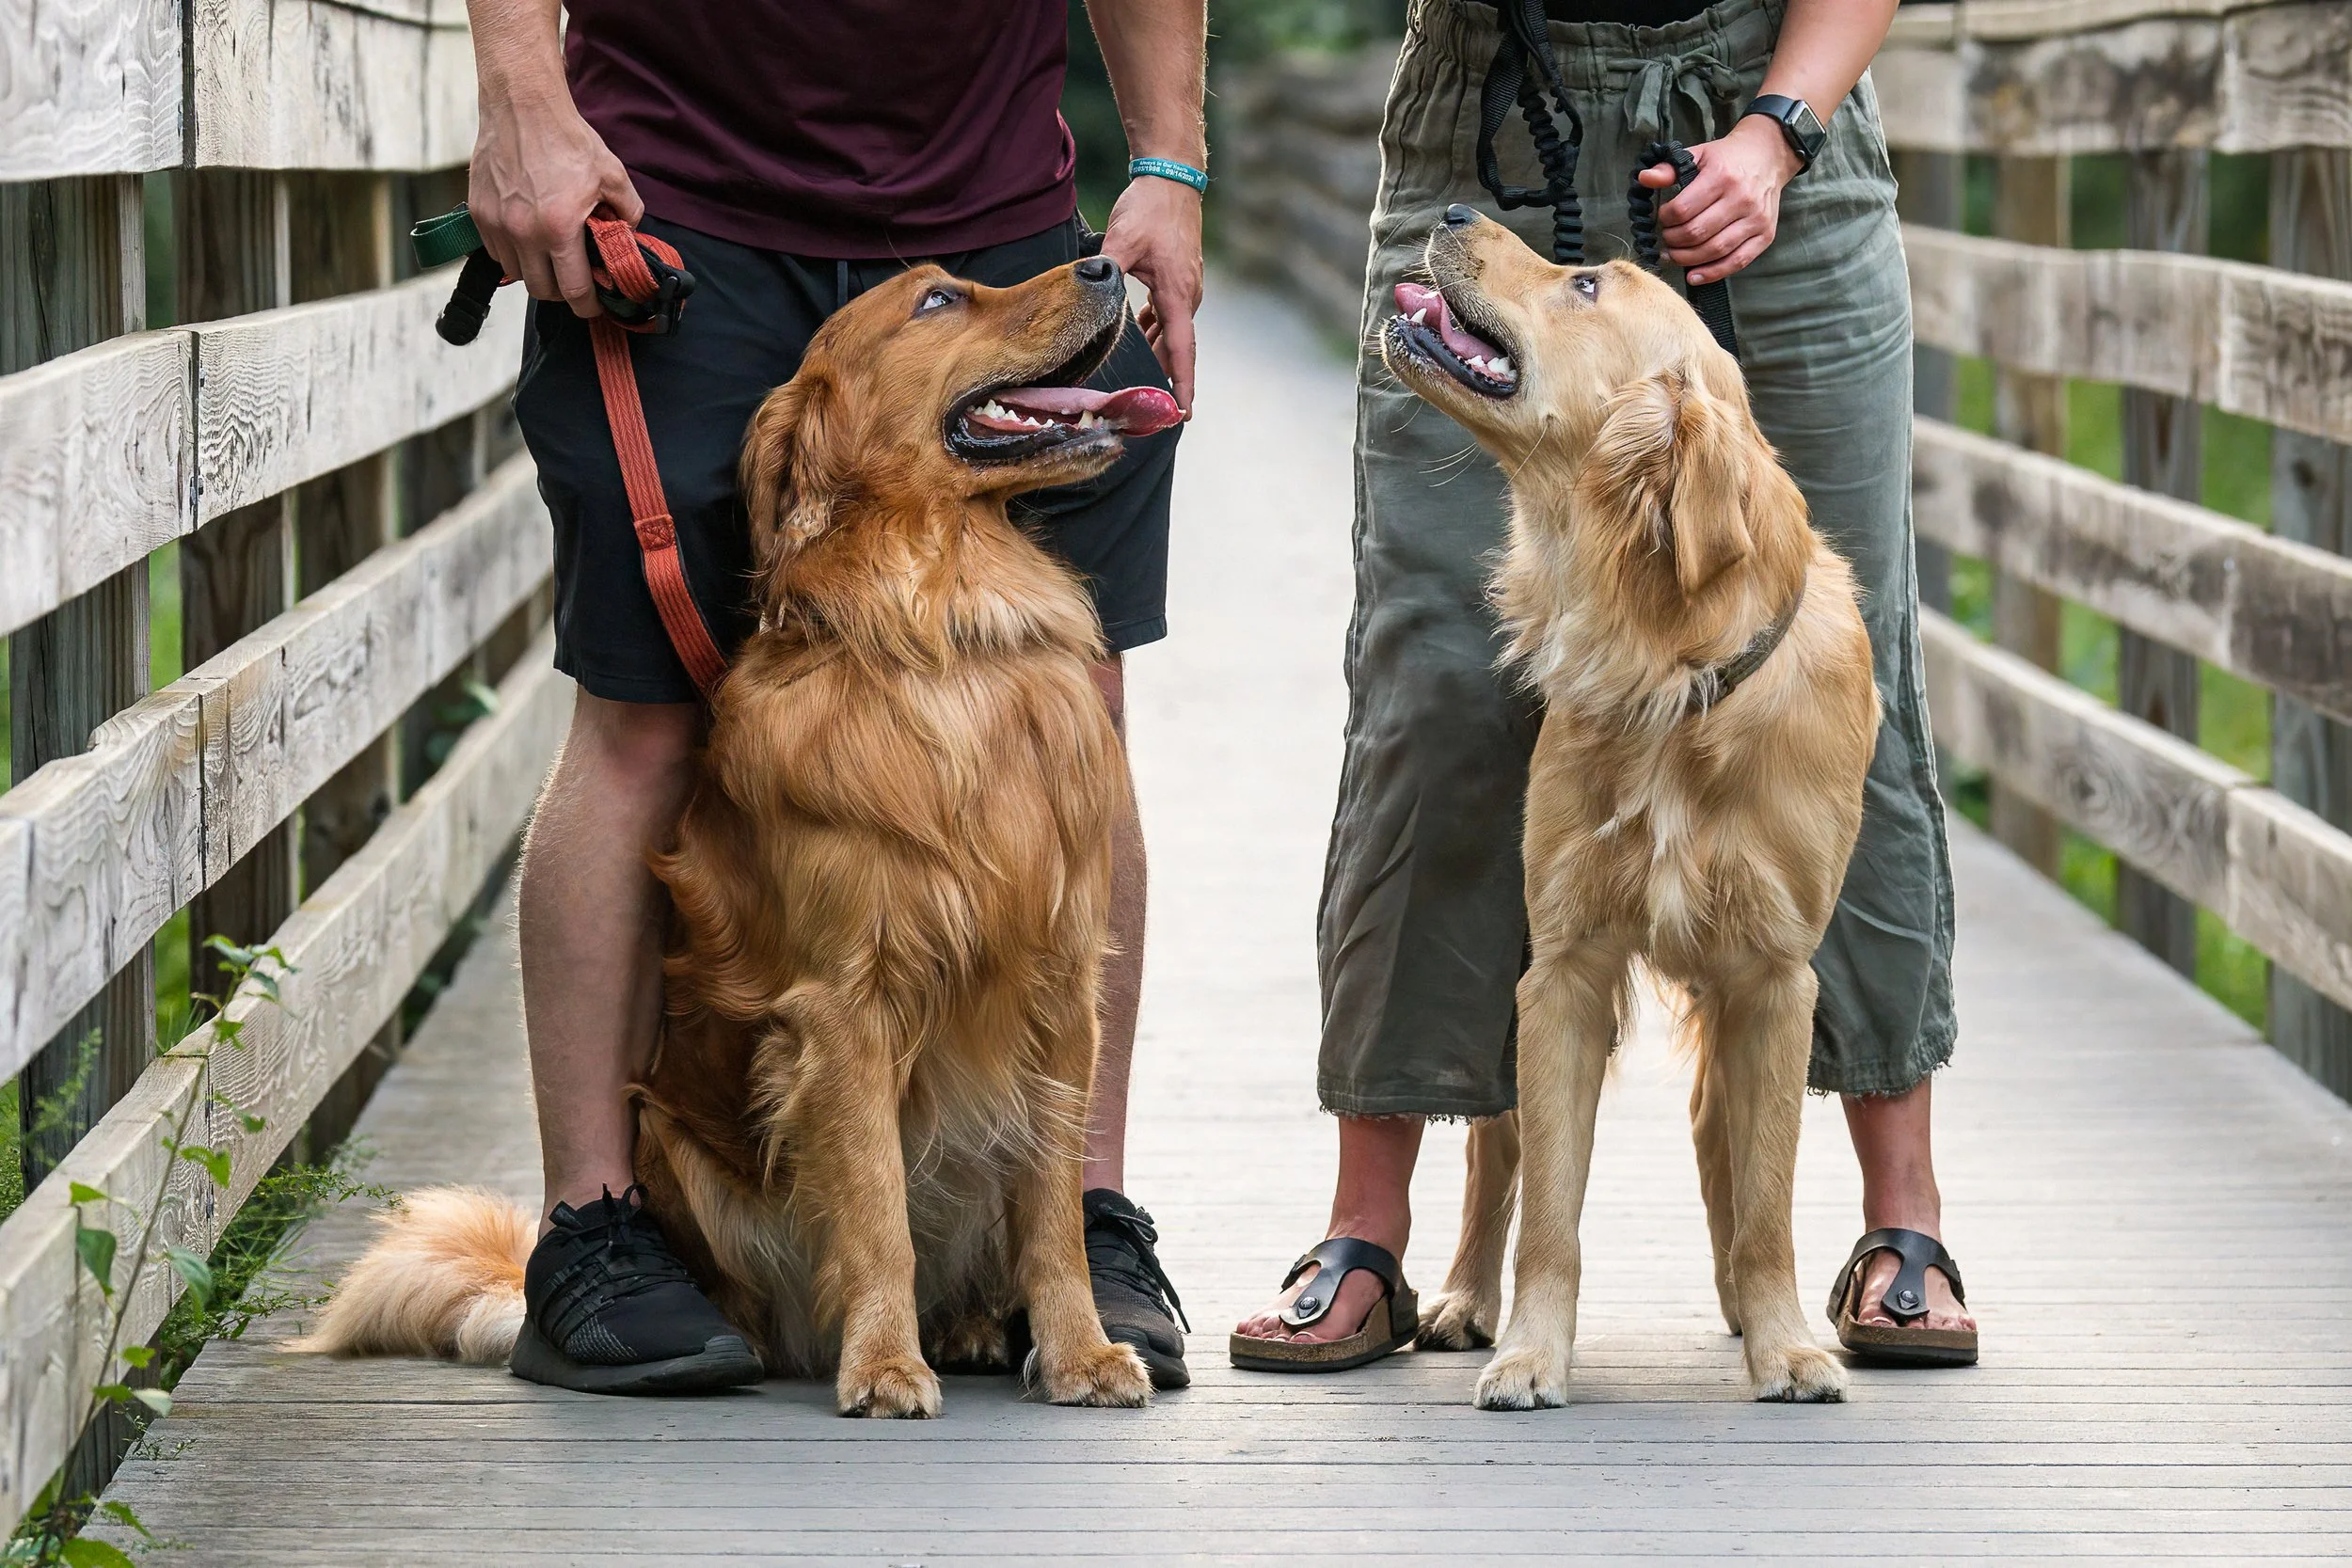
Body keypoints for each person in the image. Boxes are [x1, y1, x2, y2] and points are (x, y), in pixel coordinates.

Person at [469, 0, 1206, 1394]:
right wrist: (521, 93)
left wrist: (1170, 160)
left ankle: (1079, 1229)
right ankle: (591, 1226)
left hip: (999, 201)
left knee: (1076, 721)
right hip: (670, 192)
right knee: (639, 721)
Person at [1234, 0, 1978, 1368]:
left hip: (1770, 113)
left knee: (1839, 655)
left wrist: (1779, 129)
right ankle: (1368, 1232)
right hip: (1488, 99)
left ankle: (1900, 1222)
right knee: (1436, 681)